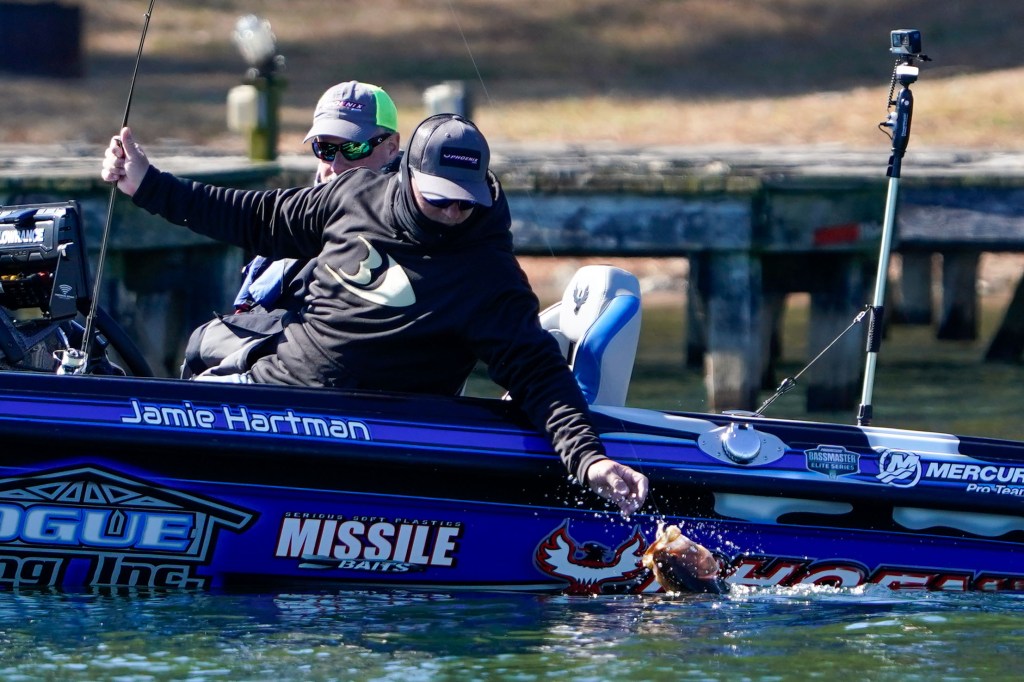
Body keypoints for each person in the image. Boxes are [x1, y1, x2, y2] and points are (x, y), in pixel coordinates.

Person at [101, 113, 649, 516]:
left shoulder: (489, 277)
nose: (454, 212)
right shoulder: (354, 194)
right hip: (266, 397)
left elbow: (538, 376)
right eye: (440, 198)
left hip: (367, 440)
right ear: (406, 174)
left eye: (466, 201)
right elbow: (252, 217)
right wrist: (146, 184)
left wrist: (590, 459)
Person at [182, 80, 402, 378]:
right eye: (325, 149)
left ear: (392, 147)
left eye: (353, 148)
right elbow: (225, 211)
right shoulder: (296, 212)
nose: (336, 165)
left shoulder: (403, 226)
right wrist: (142, 182)